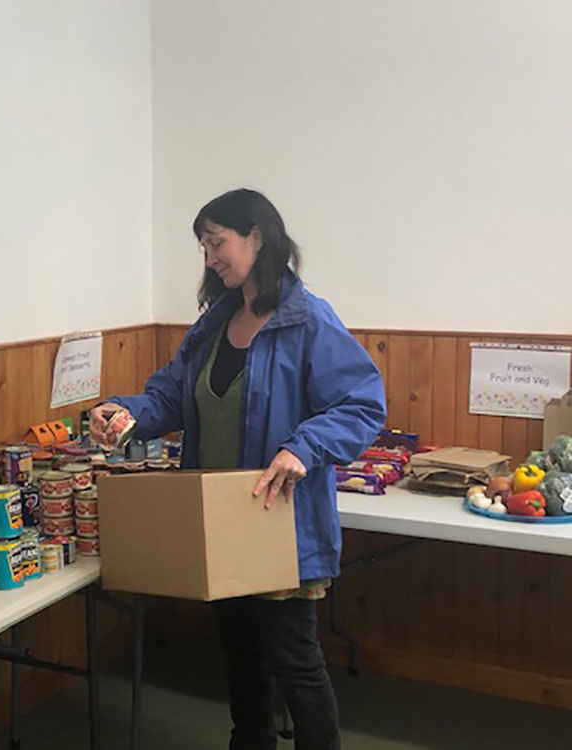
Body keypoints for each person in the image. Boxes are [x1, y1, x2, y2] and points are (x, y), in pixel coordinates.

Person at [90, 188, 386, 750]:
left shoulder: (308, 322)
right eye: (203, 247)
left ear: (257, 236)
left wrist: (304, 446)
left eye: (216, 242)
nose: (209, 258)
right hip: (219, 523)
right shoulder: (211, 326)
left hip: (280, 521)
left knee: (294, 661)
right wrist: (126, 414)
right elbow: (172, 398)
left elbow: (362, 404)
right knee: (242, 659)